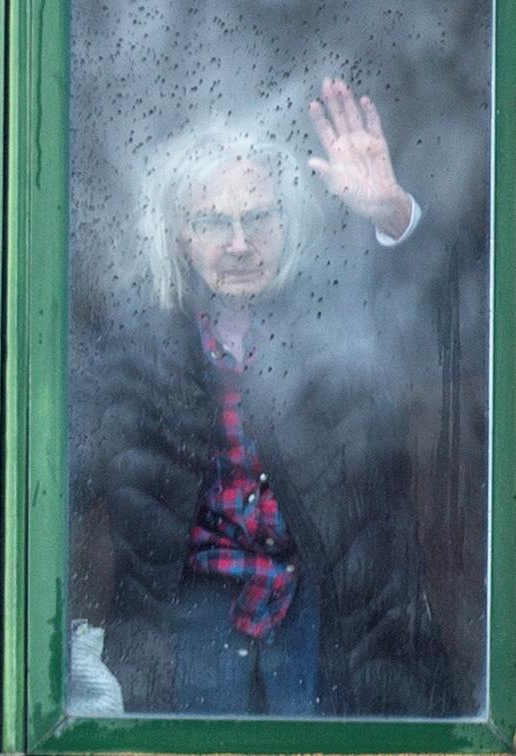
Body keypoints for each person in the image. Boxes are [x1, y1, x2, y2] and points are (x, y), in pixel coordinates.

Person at [82, 78, 451, 716]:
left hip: (336, 612)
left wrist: (393, 214)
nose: (240, 243)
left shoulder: (340, 315)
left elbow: (453, 335)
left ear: (290, 221)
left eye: (259, 217)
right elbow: (49, 474)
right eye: (212, 222)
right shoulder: (135, 347)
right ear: (178, 236)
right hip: (189, 618)